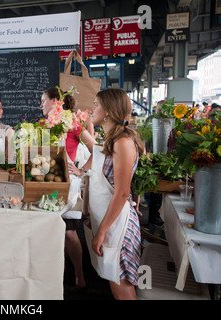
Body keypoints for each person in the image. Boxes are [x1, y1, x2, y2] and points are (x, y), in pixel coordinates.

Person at [84, 88, 145, 300]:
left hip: (118, 225)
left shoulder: (123, 142)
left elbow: (121, 193)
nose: (92, 109)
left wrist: (101, 231)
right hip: (107, 220)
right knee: (113, 279)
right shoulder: (109, 138)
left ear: (108, 111)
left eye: (96, 105)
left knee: (121, 284)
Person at [40, 87, 96, 290]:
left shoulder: (72, 123)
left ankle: (80, 275)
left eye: (44, 101)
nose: (41, 105)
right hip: (46, 182)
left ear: (56, 101)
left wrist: (82, 170)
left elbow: (96, 148)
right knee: (50, 230)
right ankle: (58, 272)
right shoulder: (43, 124)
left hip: (69, 185)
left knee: (70, 233)